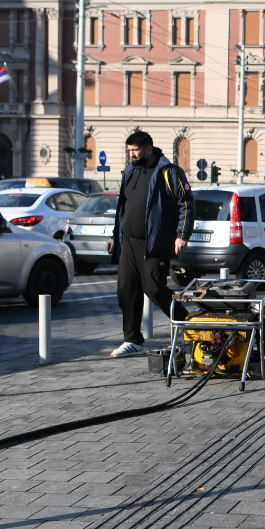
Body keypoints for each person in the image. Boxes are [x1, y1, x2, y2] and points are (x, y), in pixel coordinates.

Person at [108, 130, 194, 358]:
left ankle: (189, 325)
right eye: (129, 151)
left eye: (135, 150)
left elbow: (186, 203)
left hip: (156, 242)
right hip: (130, 242)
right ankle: (132, 339)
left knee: (154, 288)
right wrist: (115, 236)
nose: (132, 155)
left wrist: (182, 235)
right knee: (126, 290)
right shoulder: (129, 172)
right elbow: (122, 208)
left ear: (148, 148)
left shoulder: (169, 172)